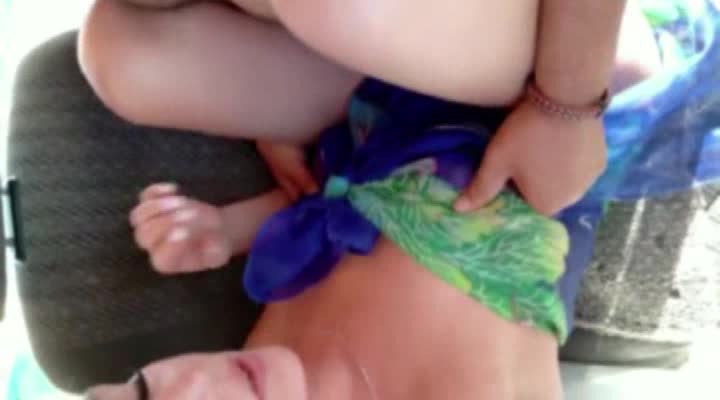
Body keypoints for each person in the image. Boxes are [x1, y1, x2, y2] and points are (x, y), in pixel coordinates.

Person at [79, 0, 662, 398]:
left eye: (141, 393)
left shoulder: (264, 368)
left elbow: (355, 221)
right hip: (566, 71)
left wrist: (229, 230)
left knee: (121, 51)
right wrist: (565, 106)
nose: (192, 387)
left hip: (385, 99)